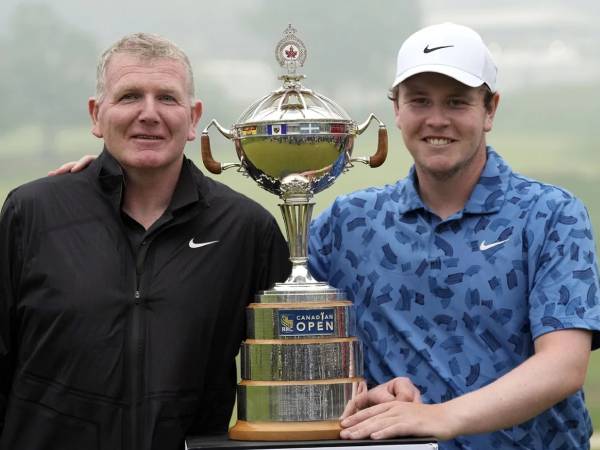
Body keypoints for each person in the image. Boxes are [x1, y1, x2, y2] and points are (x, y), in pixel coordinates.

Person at [308, 23, 600, 449]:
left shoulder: (551, 214)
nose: (436, 119)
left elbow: (563, 366)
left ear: (490, 110)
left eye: (457, 102)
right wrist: (359, 394)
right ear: (397, 109)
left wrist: (440, 418)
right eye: (419, 101)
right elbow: (306, 358)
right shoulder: (346, 223)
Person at [0, 33, 290, 450]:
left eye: (167, 99)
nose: (149, 114)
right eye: (130, 96)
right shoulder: (33, 213)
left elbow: (283, 385)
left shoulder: (246, 230)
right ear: (97, 115)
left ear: (193, 118)